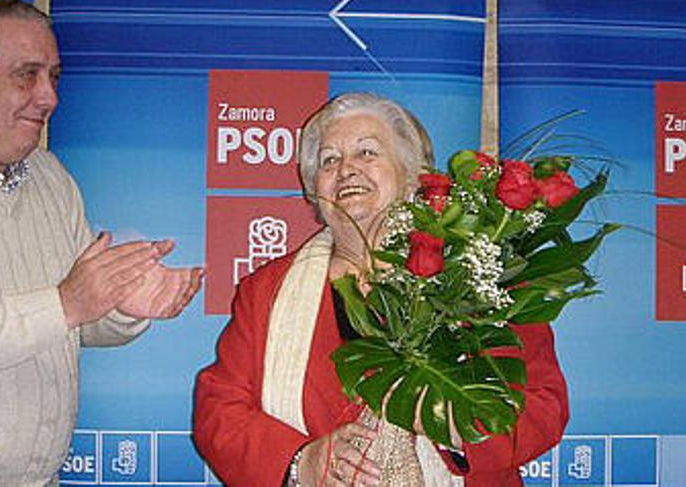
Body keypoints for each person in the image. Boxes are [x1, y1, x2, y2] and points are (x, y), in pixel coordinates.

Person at [193, 92, 568, 486]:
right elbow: (219, 408)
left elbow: (544, 405)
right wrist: (301, 461)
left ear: (411, 175)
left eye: (367, 152)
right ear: (312, 190)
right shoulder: (266, 290)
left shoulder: (477, 276)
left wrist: (454, 422)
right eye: (329, 160)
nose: (347, 170)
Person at [0, 0, 203, 485]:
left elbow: (75, 323)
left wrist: (125, 307)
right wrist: (67, 303)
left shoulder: (51, 178)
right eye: (26, 75)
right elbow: (63, 309)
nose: (49, 97)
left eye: (54, 76)